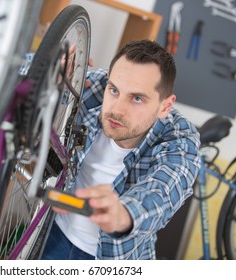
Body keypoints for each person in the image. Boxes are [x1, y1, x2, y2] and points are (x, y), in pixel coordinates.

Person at [40, 39, 201, 260]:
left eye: (137, 98)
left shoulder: (180, 140)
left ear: (165, 106)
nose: (116, 109)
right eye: (114, 90)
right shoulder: (98, 85)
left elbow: (162, 191)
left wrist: (124, 214)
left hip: (111, 258)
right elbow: (21, 69)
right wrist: (48, 74)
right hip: (52, 231)